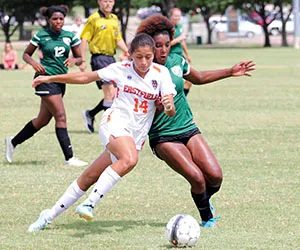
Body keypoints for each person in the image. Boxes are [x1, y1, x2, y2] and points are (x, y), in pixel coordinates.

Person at [27, 33, 177, 232]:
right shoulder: (120, 69)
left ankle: (48, 215)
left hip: (134, 136)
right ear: (130, 54)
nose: (143, 62)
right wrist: (50, 77)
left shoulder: (161, 73)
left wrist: (168, 106)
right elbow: (84, 77)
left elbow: (170, 110)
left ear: (153, 55)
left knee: (90, 176)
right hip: (113, 123)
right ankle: (89, 203)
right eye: (138, 57)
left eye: (148, 57)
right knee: (130, 159)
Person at [136, 14, 255, 227]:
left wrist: (230, 71)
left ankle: (202, 199)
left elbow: (198, 79)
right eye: (157, 46)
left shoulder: (176, 61)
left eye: (166, 45)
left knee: (215, 177)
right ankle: (206, 218)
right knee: (197, 178)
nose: (163, 50)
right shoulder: (141, 71)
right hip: (163, 137)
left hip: (188, 128)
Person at [4, 5, 88, 167]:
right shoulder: (41, 35)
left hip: (61, 80)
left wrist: (73, 60)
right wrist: (34, 63)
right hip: (44, 80)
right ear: (48, 20)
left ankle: (12, 142)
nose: (58, 21)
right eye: (54, 19)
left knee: (42, 120)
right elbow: (26, 54)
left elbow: (80, 58)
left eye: (61, 19)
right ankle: (69, 157)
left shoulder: (69, 36)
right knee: (61, 116)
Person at [80, 0, 129, 133]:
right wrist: (82, 60)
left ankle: (91, 114)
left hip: (111, 59)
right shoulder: (93, 19)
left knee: (115, 94)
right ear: (99, 2)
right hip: (99, 58)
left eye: (110, 1)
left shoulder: (114, 18)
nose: (108, 4)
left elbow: (118, 39)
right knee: (110, 94)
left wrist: (129, 52)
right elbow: (84, 39)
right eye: (105, 1)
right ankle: (108, 128)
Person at [169, 8, 192, 96]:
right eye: (175, 16)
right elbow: (166, 44)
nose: (177, 18)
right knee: (177, 82)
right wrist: (179, 38)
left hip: (180, 56)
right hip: (172, 58)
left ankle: (182, 99)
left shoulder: (179, 26)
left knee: (190, 80)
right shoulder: (168, 28)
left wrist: (187, 55)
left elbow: (182, 42)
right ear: (171, 16)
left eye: (179, 16)